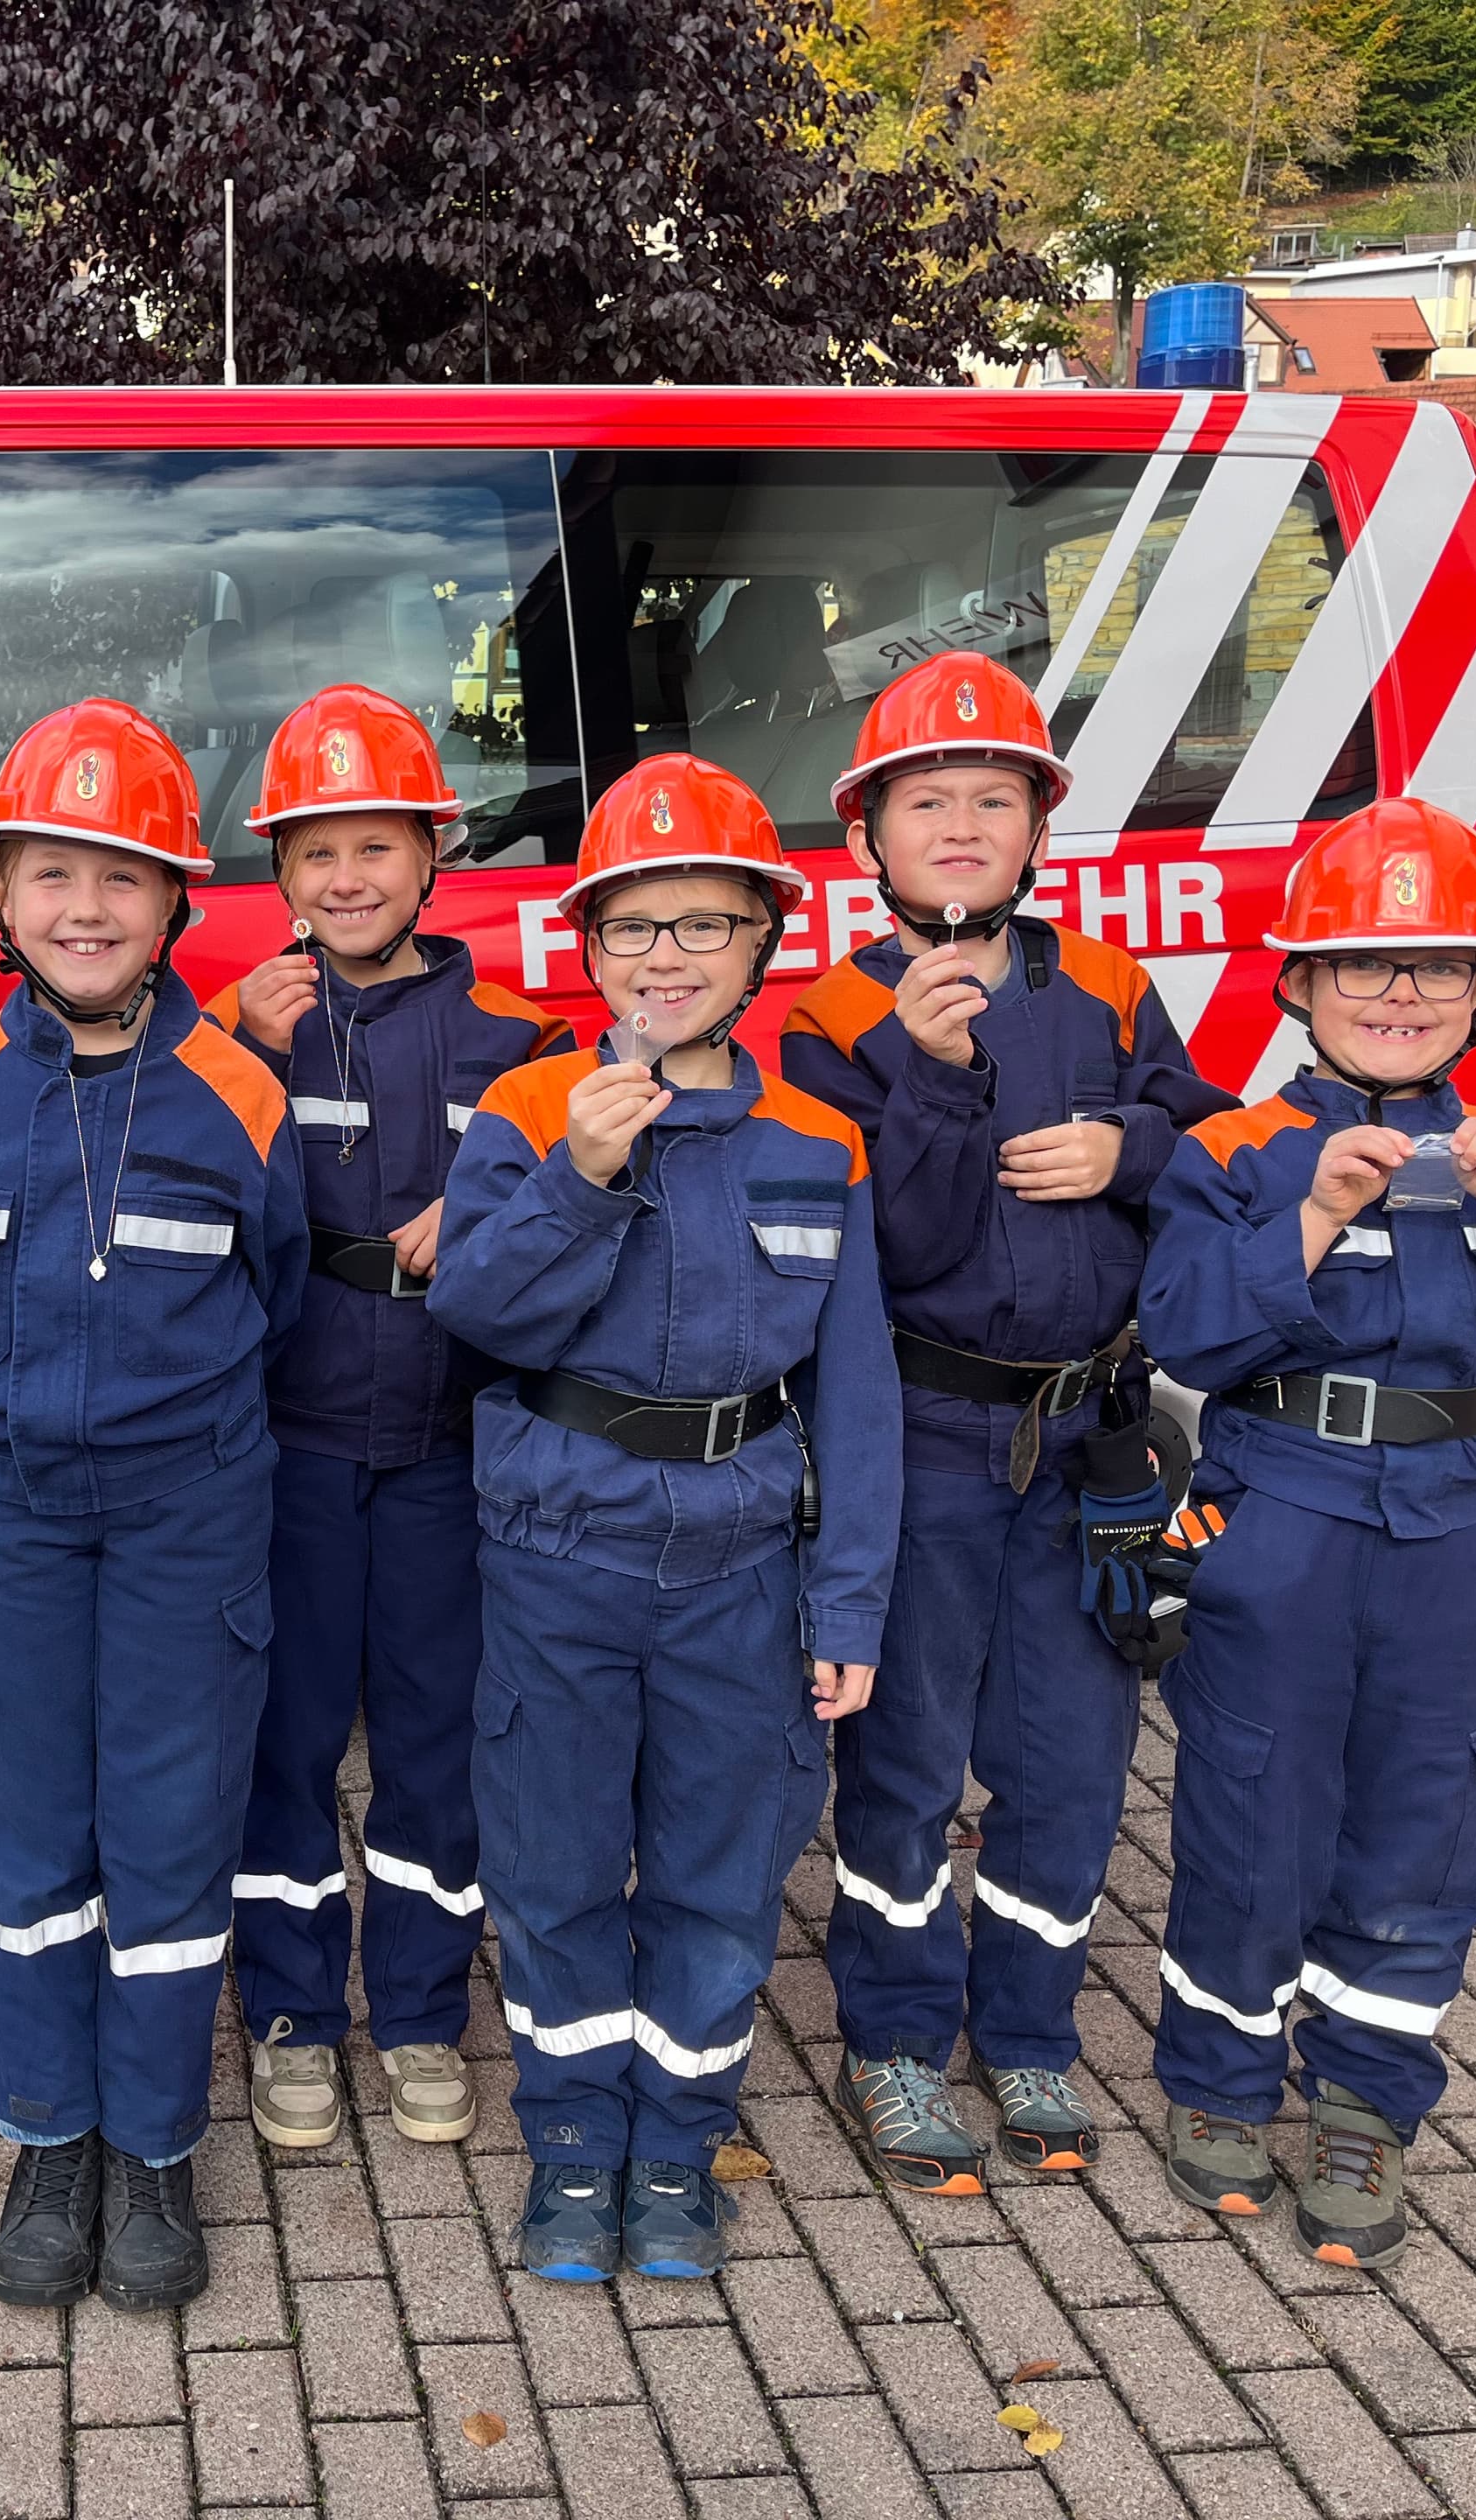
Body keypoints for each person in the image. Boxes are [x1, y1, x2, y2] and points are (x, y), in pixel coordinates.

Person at [1142, 796, 1476, 2269]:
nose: (1403, 993)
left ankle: (1365, 2099)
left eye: (1437, 964)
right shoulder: (1238, 1143)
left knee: (1430, 1812)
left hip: (1453, 1524)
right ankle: (1222, 2084)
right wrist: (1307, 1214)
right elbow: (1184, 1329)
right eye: (1363, 964)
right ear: (1296, 982)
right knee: (1253, 1797)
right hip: (1283, 1507)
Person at [0, 696, 311, 2314]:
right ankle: (52, 2134)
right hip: (0, 1516)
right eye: (52, 872)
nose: (87, 910)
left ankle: (158, 2146)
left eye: (124, 878)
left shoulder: (238, 1099)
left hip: (192, 1515)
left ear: (178, 904)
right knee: (25, 1827)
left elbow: (276, 1290)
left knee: (174, 1831)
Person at [430, 755, 901, 2284]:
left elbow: (861, 1399)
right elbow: (479, 1311)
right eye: (633, 930)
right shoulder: (526, 1107)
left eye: (705, 925)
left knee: (719, 1862)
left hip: (739, 1566)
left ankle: (681, 2147)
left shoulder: (817, 1146)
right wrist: (582, 1169)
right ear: (589, 950)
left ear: (764, 941)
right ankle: (574, 2148)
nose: (667, 958)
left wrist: (850, 1612)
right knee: (557, 1860)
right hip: (560, 1552)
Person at [780, 651, 1237, 2195]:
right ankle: (899, 2041)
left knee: (1070, 1756)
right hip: (921, 1437)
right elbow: (877, 1245)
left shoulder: (1108, 983)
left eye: (995, 798)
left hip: (1094, 1440)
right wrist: (935, 1071)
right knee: (904, 1754)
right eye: (929, 801)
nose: (963, 825)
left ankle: (1029, 2030)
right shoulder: (836, 1019)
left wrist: (1126, 1145)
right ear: (871, 841)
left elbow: (1212, 1136)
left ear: (1041, 828)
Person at [206, 684, 567, 2156]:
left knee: (436, 1746)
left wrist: (484, 1216)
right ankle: (293, 2014)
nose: (345, 878)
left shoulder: (518, 1037)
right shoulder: (232, 1031)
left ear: (435, 854)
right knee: (280, 1743)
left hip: (448, 1448)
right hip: (284, 1446)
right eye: (314, 853)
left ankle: (419, 2013)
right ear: (279, 874)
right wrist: (226, 1042)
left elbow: (589, 1213)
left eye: (376, 846)